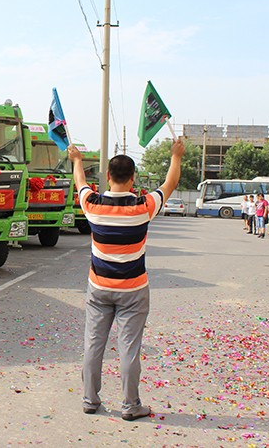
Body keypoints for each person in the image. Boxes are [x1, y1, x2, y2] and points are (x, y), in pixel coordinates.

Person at [68, 138, 185, 421]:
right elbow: (170, 184)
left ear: (108, 177)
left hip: (98, 289)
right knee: (129, 350)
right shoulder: (143, 207)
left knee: (93, 344)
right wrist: (176, 156)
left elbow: (80, 181)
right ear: (133, 178)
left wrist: (77, 160)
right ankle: (131, 406)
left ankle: (89, 399)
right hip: (134, 290)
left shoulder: (93, 205)